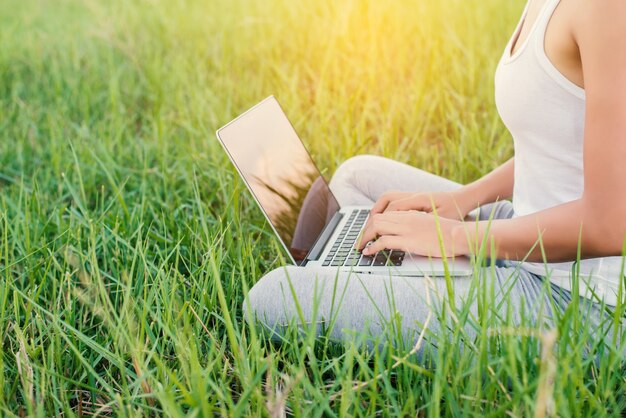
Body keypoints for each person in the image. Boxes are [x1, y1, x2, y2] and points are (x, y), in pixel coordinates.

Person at [242, 0, 626, 353]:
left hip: (578, 302)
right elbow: (558, 141)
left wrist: (454, 237)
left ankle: (381, 279)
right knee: (358, 177)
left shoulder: (604, 8)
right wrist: (466, 199)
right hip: (527, 230)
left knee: (274, 296)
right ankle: (379, 269)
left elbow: (610, 225)